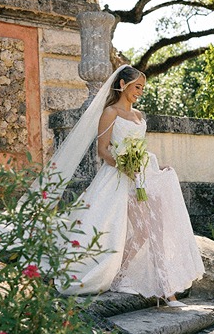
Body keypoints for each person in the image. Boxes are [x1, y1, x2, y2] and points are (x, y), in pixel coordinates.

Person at [46, 64, 204, 304]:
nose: (140, 92)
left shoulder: (139, 116)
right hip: (119, 179)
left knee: (152, 230)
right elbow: (102, 150)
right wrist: (124, 166)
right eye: (136, 87)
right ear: (122, 84)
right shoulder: (110, 113)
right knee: (140, 230)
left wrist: (156, 167)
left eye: (142, 88)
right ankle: (166, 292)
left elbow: (141, 149)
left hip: (143, 177)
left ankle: (135, 278)